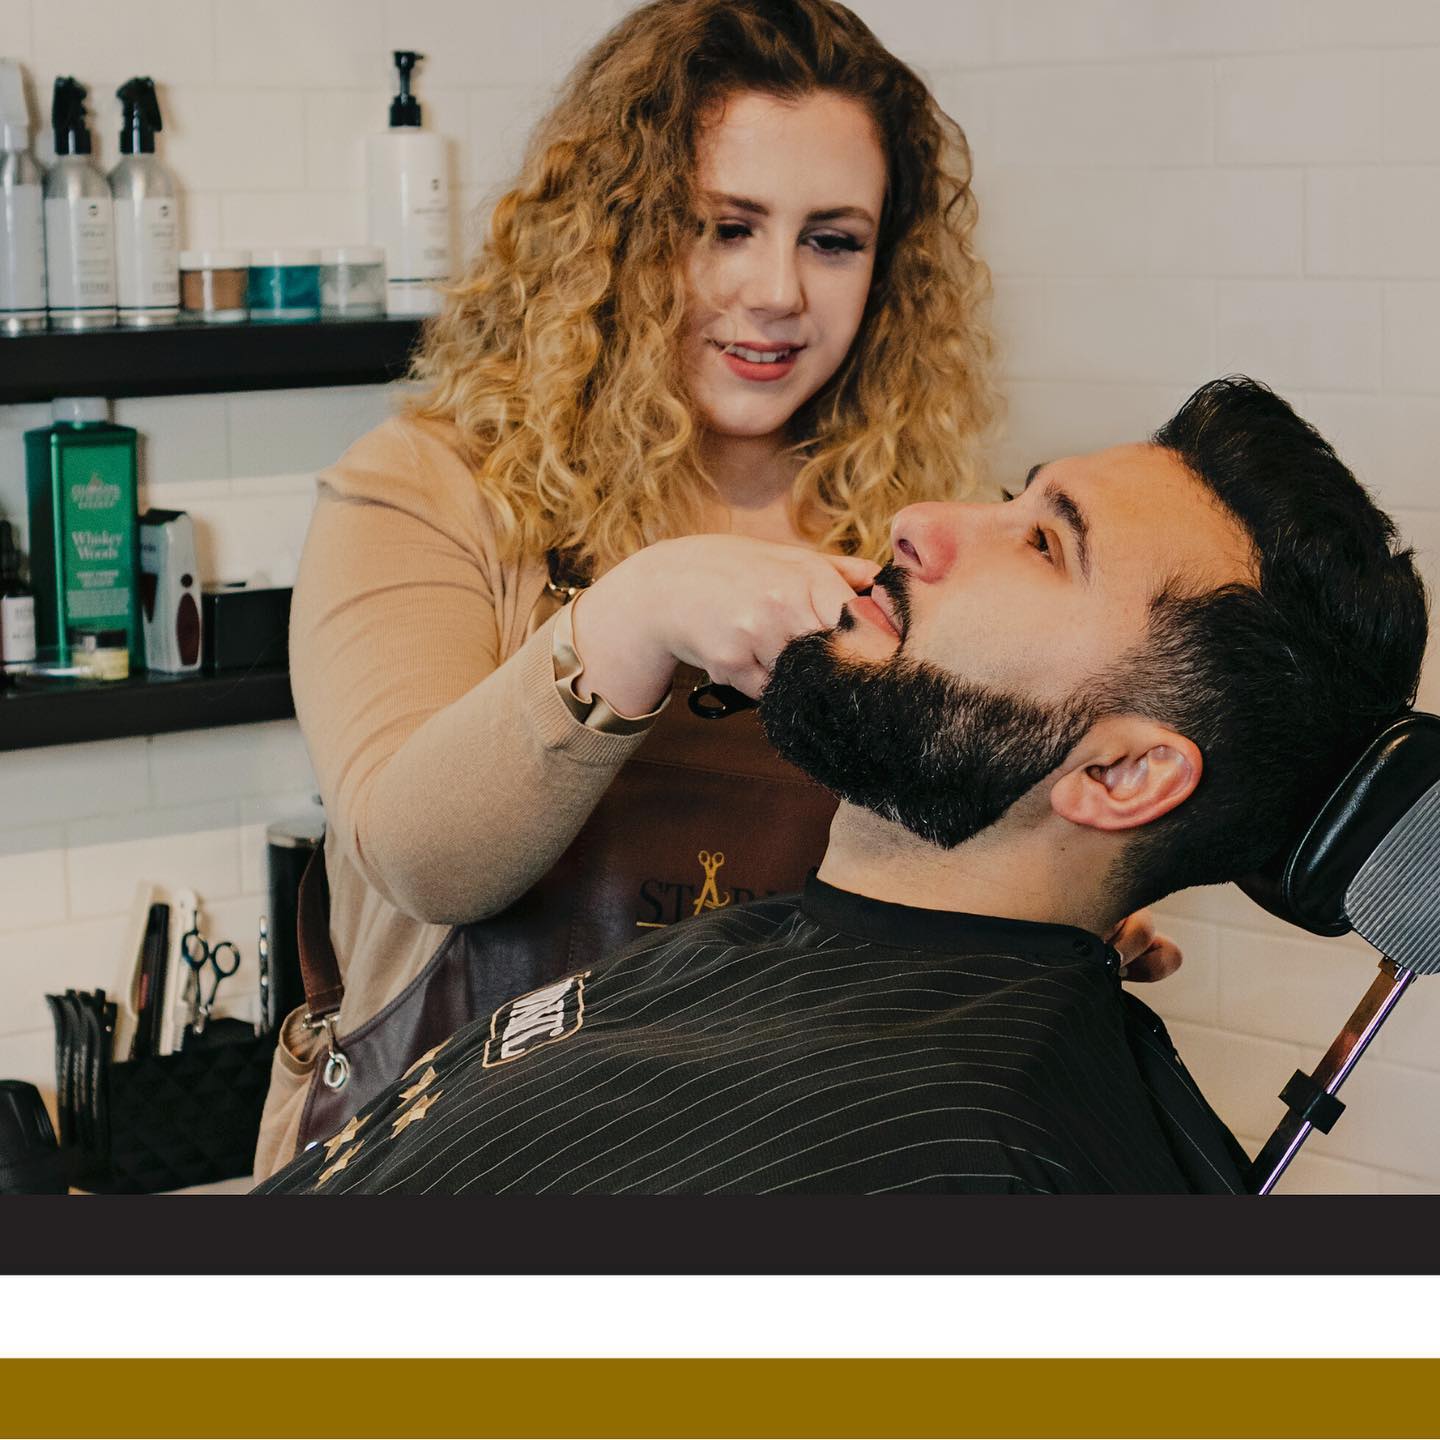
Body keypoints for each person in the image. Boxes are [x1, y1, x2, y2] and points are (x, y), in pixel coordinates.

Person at [253, 0, 1180, 1180]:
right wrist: (637, 611)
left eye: (832, 240)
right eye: (725, 227)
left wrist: (1028, 884)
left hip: (761, 1171)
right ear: (615, 233)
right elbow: (426, 861)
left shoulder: (920, 536)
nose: (779, 289)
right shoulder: (428, 490)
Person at [254, 377, 1430, 1195]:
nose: (919, 523)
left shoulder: (968, 1167)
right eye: (1012, 500)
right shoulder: (785, 973)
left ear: (1121, 773)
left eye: (1042, 544)